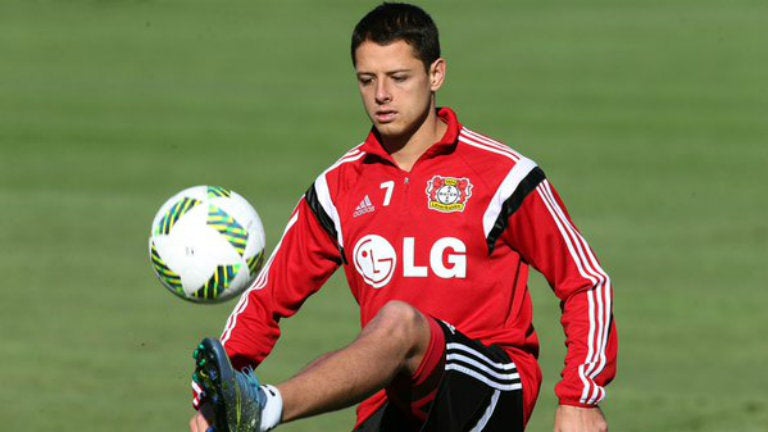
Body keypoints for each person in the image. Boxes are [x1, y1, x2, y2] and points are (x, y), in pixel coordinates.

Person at [189, 3, 617, 432]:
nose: (381, 95)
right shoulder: (339, 189)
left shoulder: (504, 176)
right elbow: (265, 300)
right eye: (366, 80)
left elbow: (586, 281)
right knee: (397, 331)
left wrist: (580, 396)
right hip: (393, 404)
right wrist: (216, 394)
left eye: (398, 78)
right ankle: (247, 407)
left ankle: (264, 408)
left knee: (400, 321)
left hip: (491, 384)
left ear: (436, 75)